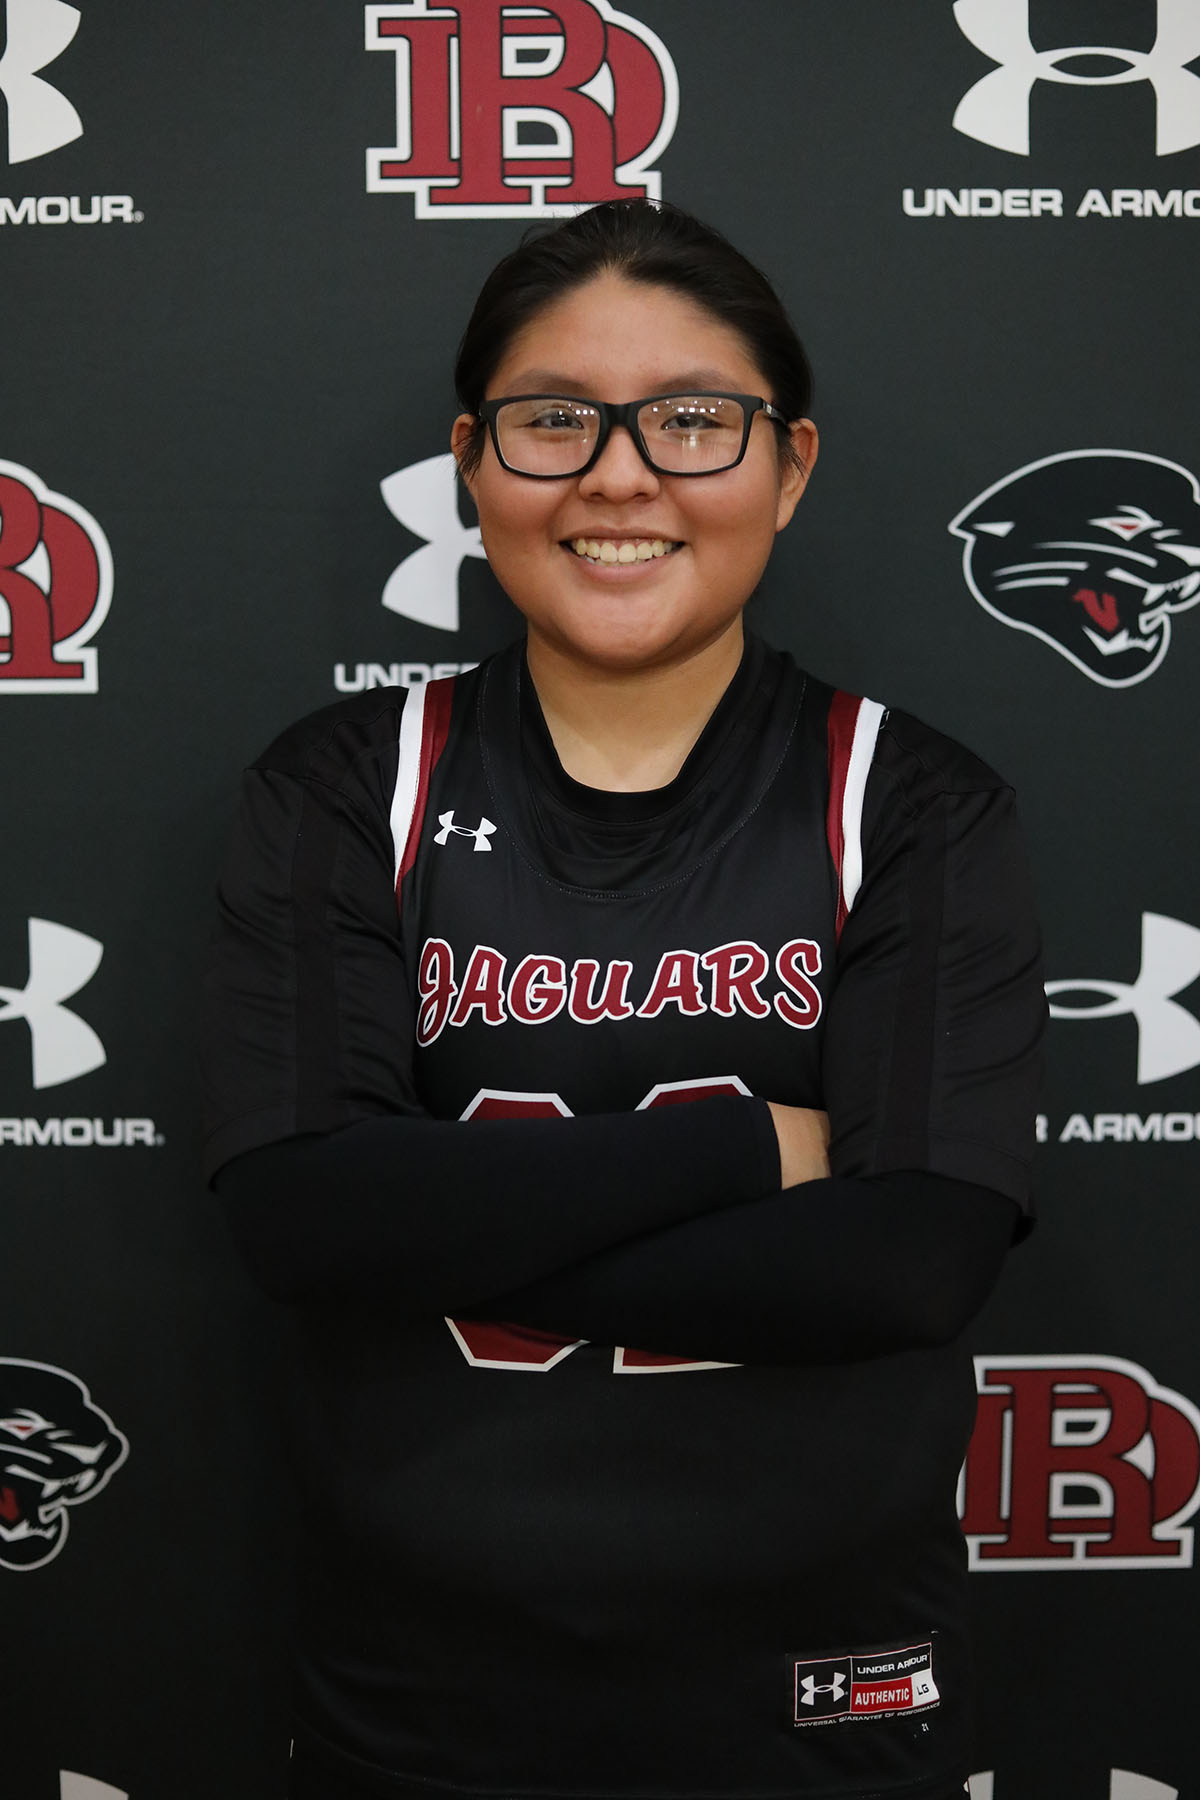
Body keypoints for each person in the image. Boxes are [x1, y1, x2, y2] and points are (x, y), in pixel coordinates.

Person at [202, 199, 1045, 1800]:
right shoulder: (340, 791)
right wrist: (753, 1154)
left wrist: (437, 1224)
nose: (618, 472)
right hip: (418, 1700)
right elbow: (305, 1223)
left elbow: (910, 1262)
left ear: (789, 466)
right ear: (474, 462)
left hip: (823, 1698)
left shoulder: (912, 803)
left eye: (692, 420)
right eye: (552, 420)